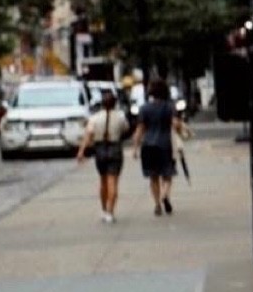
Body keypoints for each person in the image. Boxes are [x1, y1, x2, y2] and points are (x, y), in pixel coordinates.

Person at [75, 89, 133, 224]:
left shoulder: (94, 118)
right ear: (114, 103)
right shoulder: (120, 116)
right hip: (115, 148)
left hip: (100, 149)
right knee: (113, 181)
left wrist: (81, 151)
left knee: (103, 181)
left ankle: (103, 208)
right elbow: (125, 129)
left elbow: (88, 135)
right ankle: (110, 211)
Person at [137, 78, 189, 217]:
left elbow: (140, 129)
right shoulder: (170, 107)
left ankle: (157, 205)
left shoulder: (144, 108)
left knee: (153, 177)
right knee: (167, 174)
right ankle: (165, 195)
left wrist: (136, 147)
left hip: (148, 145)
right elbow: (175, 124)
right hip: (165, 144)